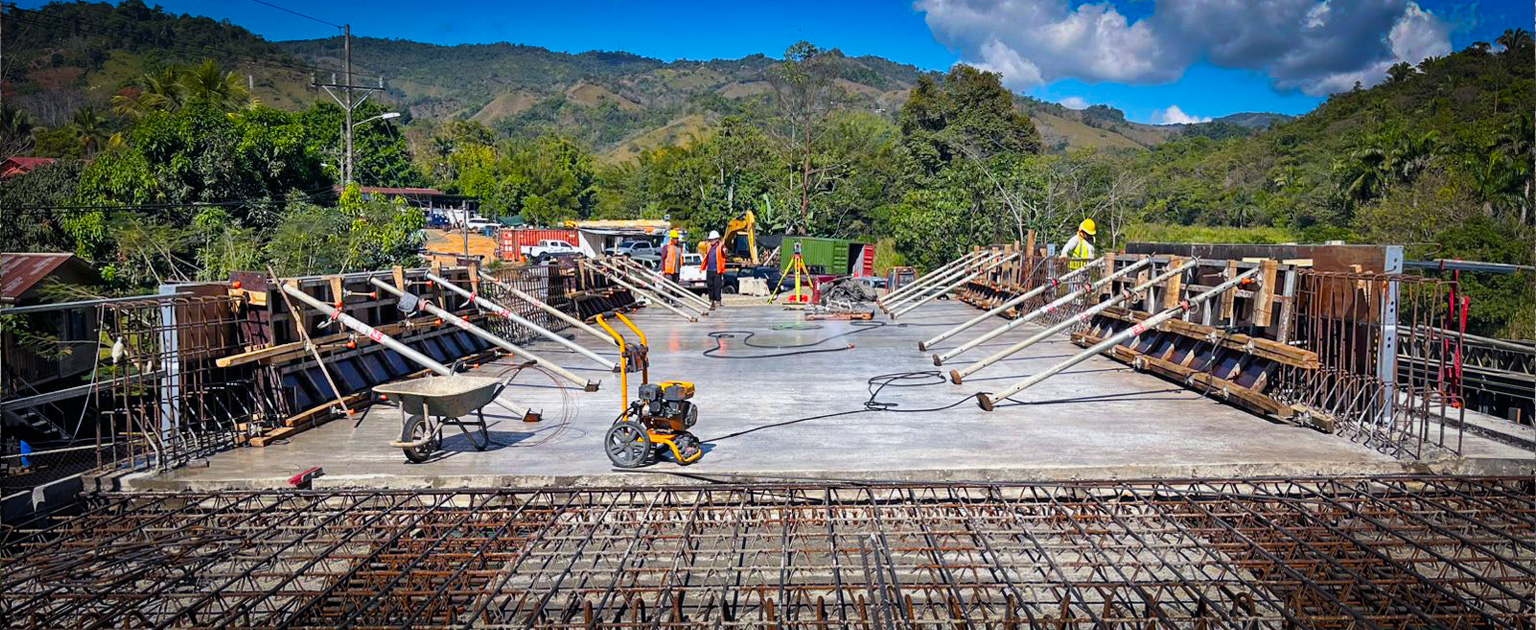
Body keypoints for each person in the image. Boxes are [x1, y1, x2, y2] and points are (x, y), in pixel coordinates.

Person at [700, 229, 726, 308]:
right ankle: (711, 300)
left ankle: (718, 300)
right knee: (710, 286)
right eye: (710, 240)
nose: (711, 241)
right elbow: (702, 246)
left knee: (717, 286)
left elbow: (724, 251)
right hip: (710, 269)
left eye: (712, 240)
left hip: (717, 270)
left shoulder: (721, 247)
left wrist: (724, 250)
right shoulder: (708, 246)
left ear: (717, 240)